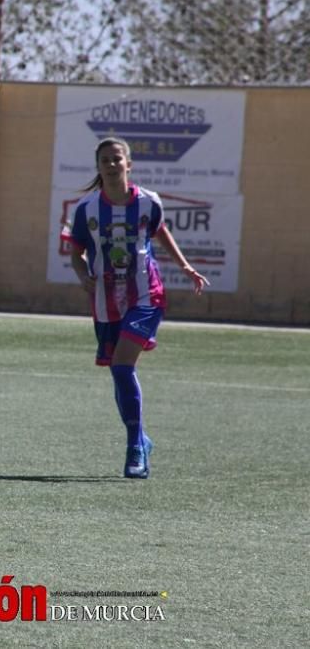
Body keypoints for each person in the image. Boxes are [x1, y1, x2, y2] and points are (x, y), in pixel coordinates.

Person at [66, 137, 209, 479]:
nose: (111, 165)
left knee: (122, 364)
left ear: (128, 164)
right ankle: (141, 439)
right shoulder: (86, 209)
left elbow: (161, 233)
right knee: (119, 371)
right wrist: (82, 273)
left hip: (147, 295)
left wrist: (185, 266)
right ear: (98, 167)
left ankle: (134, 448)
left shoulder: (149, 202)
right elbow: (76, 251)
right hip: (105, 300)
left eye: (117, 159)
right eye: (105, 161)